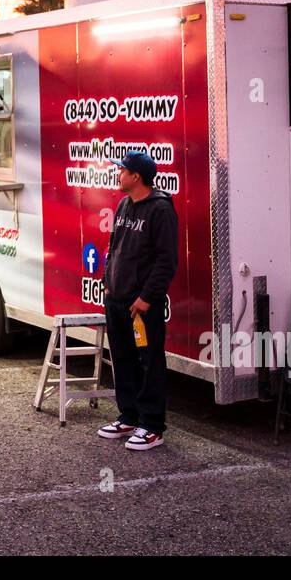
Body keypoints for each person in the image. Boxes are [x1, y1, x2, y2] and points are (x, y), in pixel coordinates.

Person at [96, 151, 179, 451]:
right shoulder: (123, 204)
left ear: (136, 177)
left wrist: (146, 297)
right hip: (116, 299)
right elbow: (114, 246)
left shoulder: (160, 210)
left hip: (142, 305)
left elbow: (166, 261)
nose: (118, 174)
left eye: (122, 171)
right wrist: (107, 283)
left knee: (149, 362)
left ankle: (152, 426)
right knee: (123, 359)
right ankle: (129, 416)